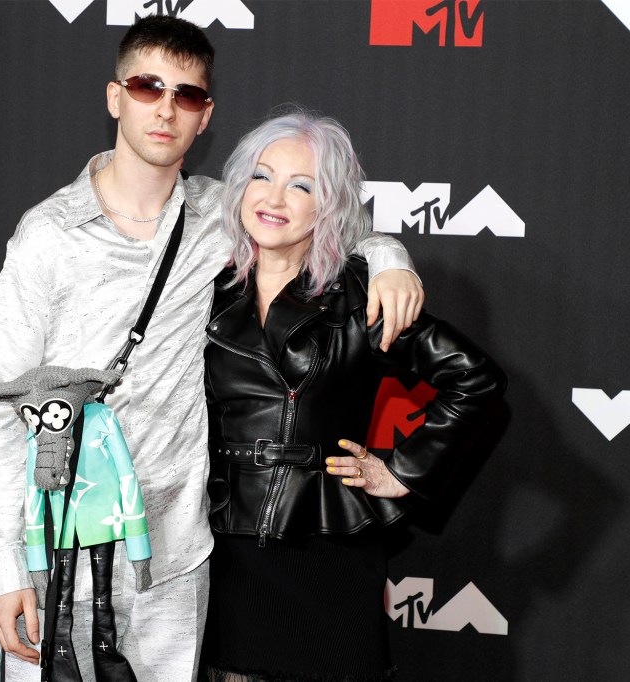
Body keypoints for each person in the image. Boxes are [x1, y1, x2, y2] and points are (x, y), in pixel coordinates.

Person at [0, 16, 425, 682]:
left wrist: (388, 256)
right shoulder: (48, 235)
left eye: (188, 94)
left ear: (205, 117)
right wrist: (3, 566)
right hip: (59, 555)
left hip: (177, 562)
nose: (166, 108)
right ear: (116, 96)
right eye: (149, 87)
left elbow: (326, 236)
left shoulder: (223, 219)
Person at [200, 111, 507, 681]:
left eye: (302, 186)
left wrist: (403, 472)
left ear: (330, 205)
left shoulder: (360, 294)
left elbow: (474, 380)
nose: (275, 198)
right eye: (262, 177)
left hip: (326, 545)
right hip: (221, 546)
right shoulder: (198, 289)